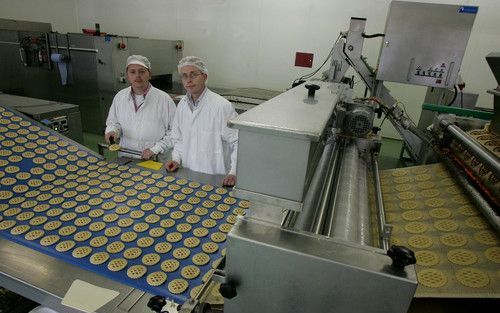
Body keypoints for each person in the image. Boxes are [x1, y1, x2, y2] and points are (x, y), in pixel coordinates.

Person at [165, 56, 238, 186]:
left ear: (204, 77)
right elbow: (179, 138)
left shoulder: (221, 106)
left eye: (193, 75)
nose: (189, 79)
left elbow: (237, 142)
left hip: (216, 176)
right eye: (184, 76)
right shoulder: (182, 104)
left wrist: (233, 172)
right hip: (188, 174)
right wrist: (176, 159)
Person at [105, 55, 176, 161]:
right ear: (127, 75)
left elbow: (175, 131)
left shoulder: (164, 100)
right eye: (132, 72)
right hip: (126, 156)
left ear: (149, 74)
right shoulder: (120, 97)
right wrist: (113, 131)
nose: (137, 76)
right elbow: (113, 122)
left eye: (142, 71)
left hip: (155, 159)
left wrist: (155, 149)